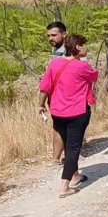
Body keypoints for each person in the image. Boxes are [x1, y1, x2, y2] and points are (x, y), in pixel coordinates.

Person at [38, 34, 97, 198]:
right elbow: (94, 77)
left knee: (67, 143)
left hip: (57, 112)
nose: (87, 48)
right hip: (77, 113)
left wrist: (41, 105)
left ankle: (75, 175)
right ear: (78, 47)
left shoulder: (55, 64)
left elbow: (44, 88)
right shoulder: (82, 67)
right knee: (73, 148)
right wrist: (84, 63)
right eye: (84, 45)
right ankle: (65, 186)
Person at [46, 21, 68, 165]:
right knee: (59, 125)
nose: (50, 38)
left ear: (64, 34)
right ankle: (59, 157)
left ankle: (61, 158)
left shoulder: (70, 51)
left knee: (62, 125)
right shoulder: (57, 51)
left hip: (65, 96)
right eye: (49, 36)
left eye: (54, 35)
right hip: (56, 95)